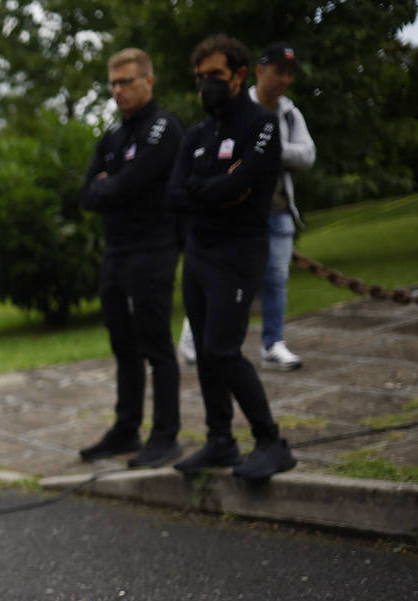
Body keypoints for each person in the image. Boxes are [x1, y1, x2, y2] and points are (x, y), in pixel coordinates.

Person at [167, 34, 296, 481]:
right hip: (199, 253)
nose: (206, 85)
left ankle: (271, 441)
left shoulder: (261, 125)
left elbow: (240, 185)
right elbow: (176, 194)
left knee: (223, 350)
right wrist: (218, 190)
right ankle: (219, 440)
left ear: (240, 75)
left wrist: (212, 190)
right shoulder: (198, 133)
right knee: (204, 353)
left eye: (215, 77)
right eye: (200, 78)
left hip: (239, 251)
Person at [78, 48, 185, 468]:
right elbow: (88, 193)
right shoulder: (113, 136)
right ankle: (127, 428)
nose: (118, 90)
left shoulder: (164, 128)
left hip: (154, 249)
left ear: (148, 81)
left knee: (156, 343)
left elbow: (131, 184)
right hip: (117, 252)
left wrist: (113, 186)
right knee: (123, 344)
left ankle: (165, 434)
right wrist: (112, 186)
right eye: (113, 83)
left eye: (127, 82)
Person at [251, 41, 314, 371]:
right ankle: (201, 334)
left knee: (276, 278)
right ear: (260, 71)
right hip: (242, 216)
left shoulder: (289, 114)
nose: (285, 80)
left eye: (289, 74)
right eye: (279, 72)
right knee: (231, 278)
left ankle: (272, 343)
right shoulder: (238, 108)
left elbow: (307, 155)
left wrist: (273, 149)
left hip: (278, 211)